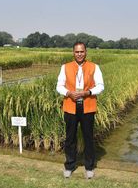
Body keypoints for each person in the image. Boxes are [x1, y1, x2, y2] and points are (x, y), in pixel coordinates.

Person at [56, 41, 104, 179]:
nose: (79, 54)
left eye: (81, 51)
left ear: (86, 52)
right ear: (73, 52)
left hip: (87, 105)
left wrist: (87, 93)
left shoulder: (94, 67)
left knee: (88, 137)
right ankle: (69, 165)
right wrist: (68, 93)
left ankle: (89, 167)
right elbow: (59, 86)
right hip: (70, 106)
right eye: (77, 52)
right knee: (70, 137)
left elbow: (100, 86)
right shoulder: (65, 67)